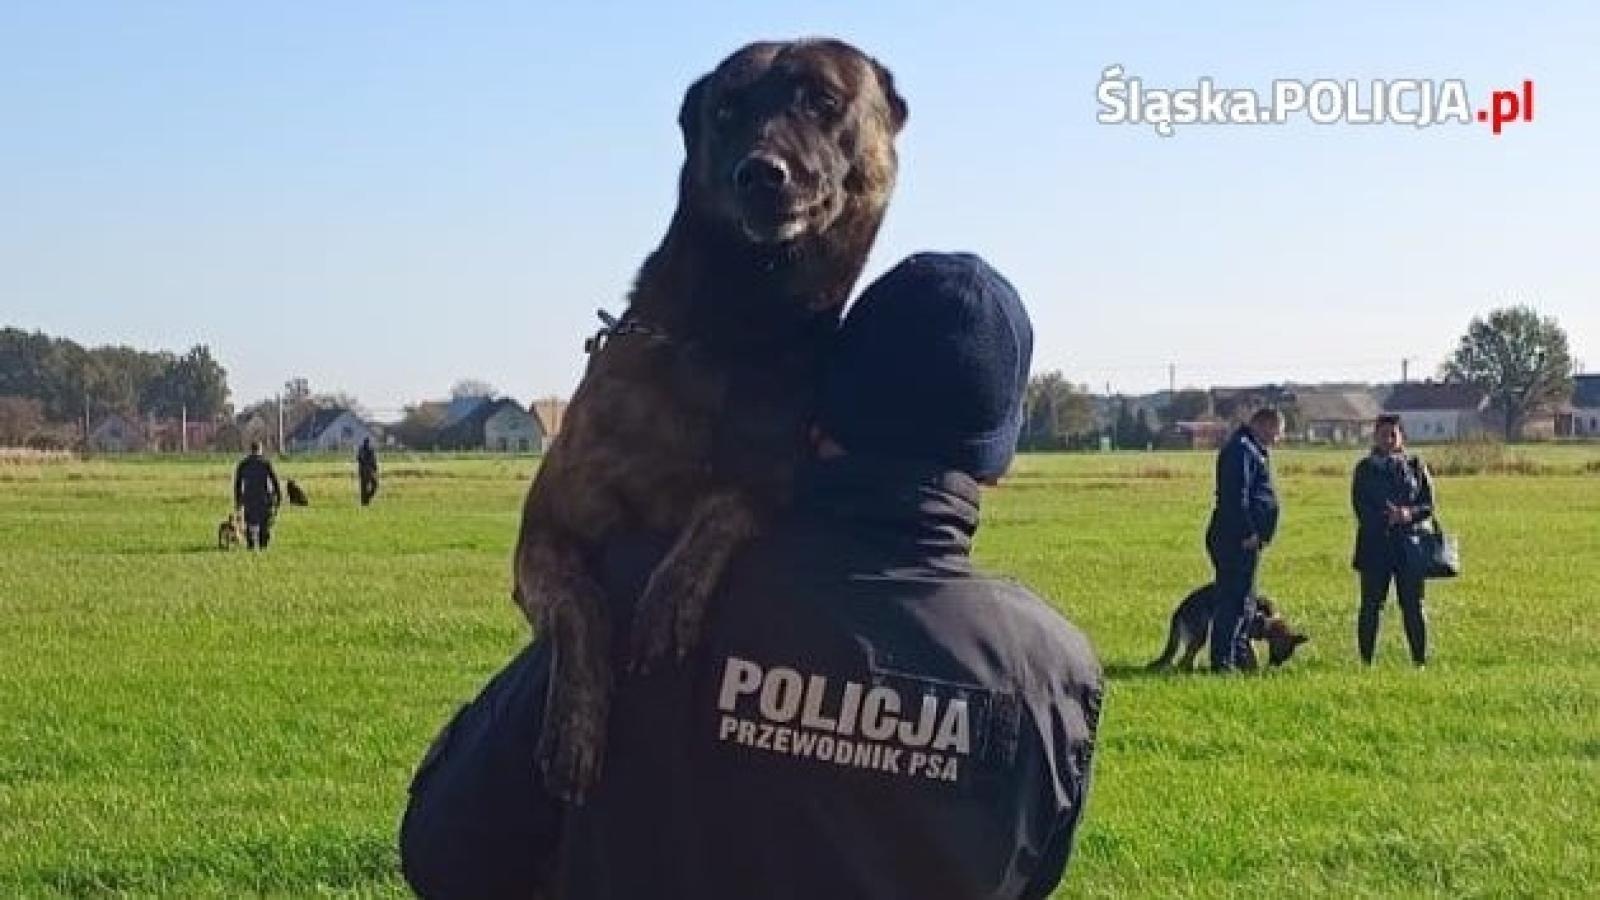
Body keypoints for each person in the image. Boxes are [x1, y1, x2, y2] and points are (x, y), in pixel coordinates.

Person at [399, 252, 1105, 899]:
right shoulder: (1051, 679)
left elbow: (447, 852)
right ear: (995, 465)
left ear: (817, 414)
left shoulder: (640, 588)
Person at [1351, 414, 1434, 666]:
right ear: (1375, 437)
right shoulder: (1364, 469)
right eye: (1383, 434)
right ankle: (1366, 662)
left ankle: (1419, 661)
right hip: (1375, 547)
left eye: (1393, 434)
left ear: (1401, 437)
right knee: (1370, 607)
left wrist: (1408, 515)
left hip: (1409, 547)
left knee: (1413, 606)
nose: (1388, 440)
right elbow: (1359, 506)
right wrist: (1385, 518)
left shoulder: (1416, 466)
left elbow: (1428, 505)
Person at [1204, 407, 1283, 672]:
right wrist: (1248, 531)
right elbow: (1235, 497)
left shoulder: (1251, 450)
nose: (1278, 438)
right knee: (1233, 601)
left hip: (1245, 539)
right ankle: (1222, 662)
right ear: (1264, 425)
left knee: (1245, 602)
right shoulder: (1241, 451)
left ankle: (1239, 659)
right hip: (1236, 539)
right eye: (1277, 432)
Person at [233, 441, 282, 550]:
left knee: (250, 522)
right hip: (263, 497)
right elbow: (275, 481)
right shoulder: (265, 463)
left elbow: (237, 484)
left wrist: (238, 500)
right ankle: (263, 545)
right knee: (264, 523)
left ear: (251, 450)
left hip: (249, 498)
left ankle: (250, 544)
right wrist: (278, 496)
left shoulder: (243, 464)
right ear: (260, 449)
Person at [357, 437, 379, 506]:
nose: (367, 444)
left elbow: (374, 459)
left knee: (375, 485)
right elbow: (360, 459)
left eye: (368, 442)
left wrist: (375, 467)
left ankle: (367, 498)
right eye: (366, 442)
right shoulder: (361, 450)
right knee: (364, 488)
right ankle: (364, 503)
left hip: (370, 470)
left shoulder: (371, 450)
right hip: (364, 471)